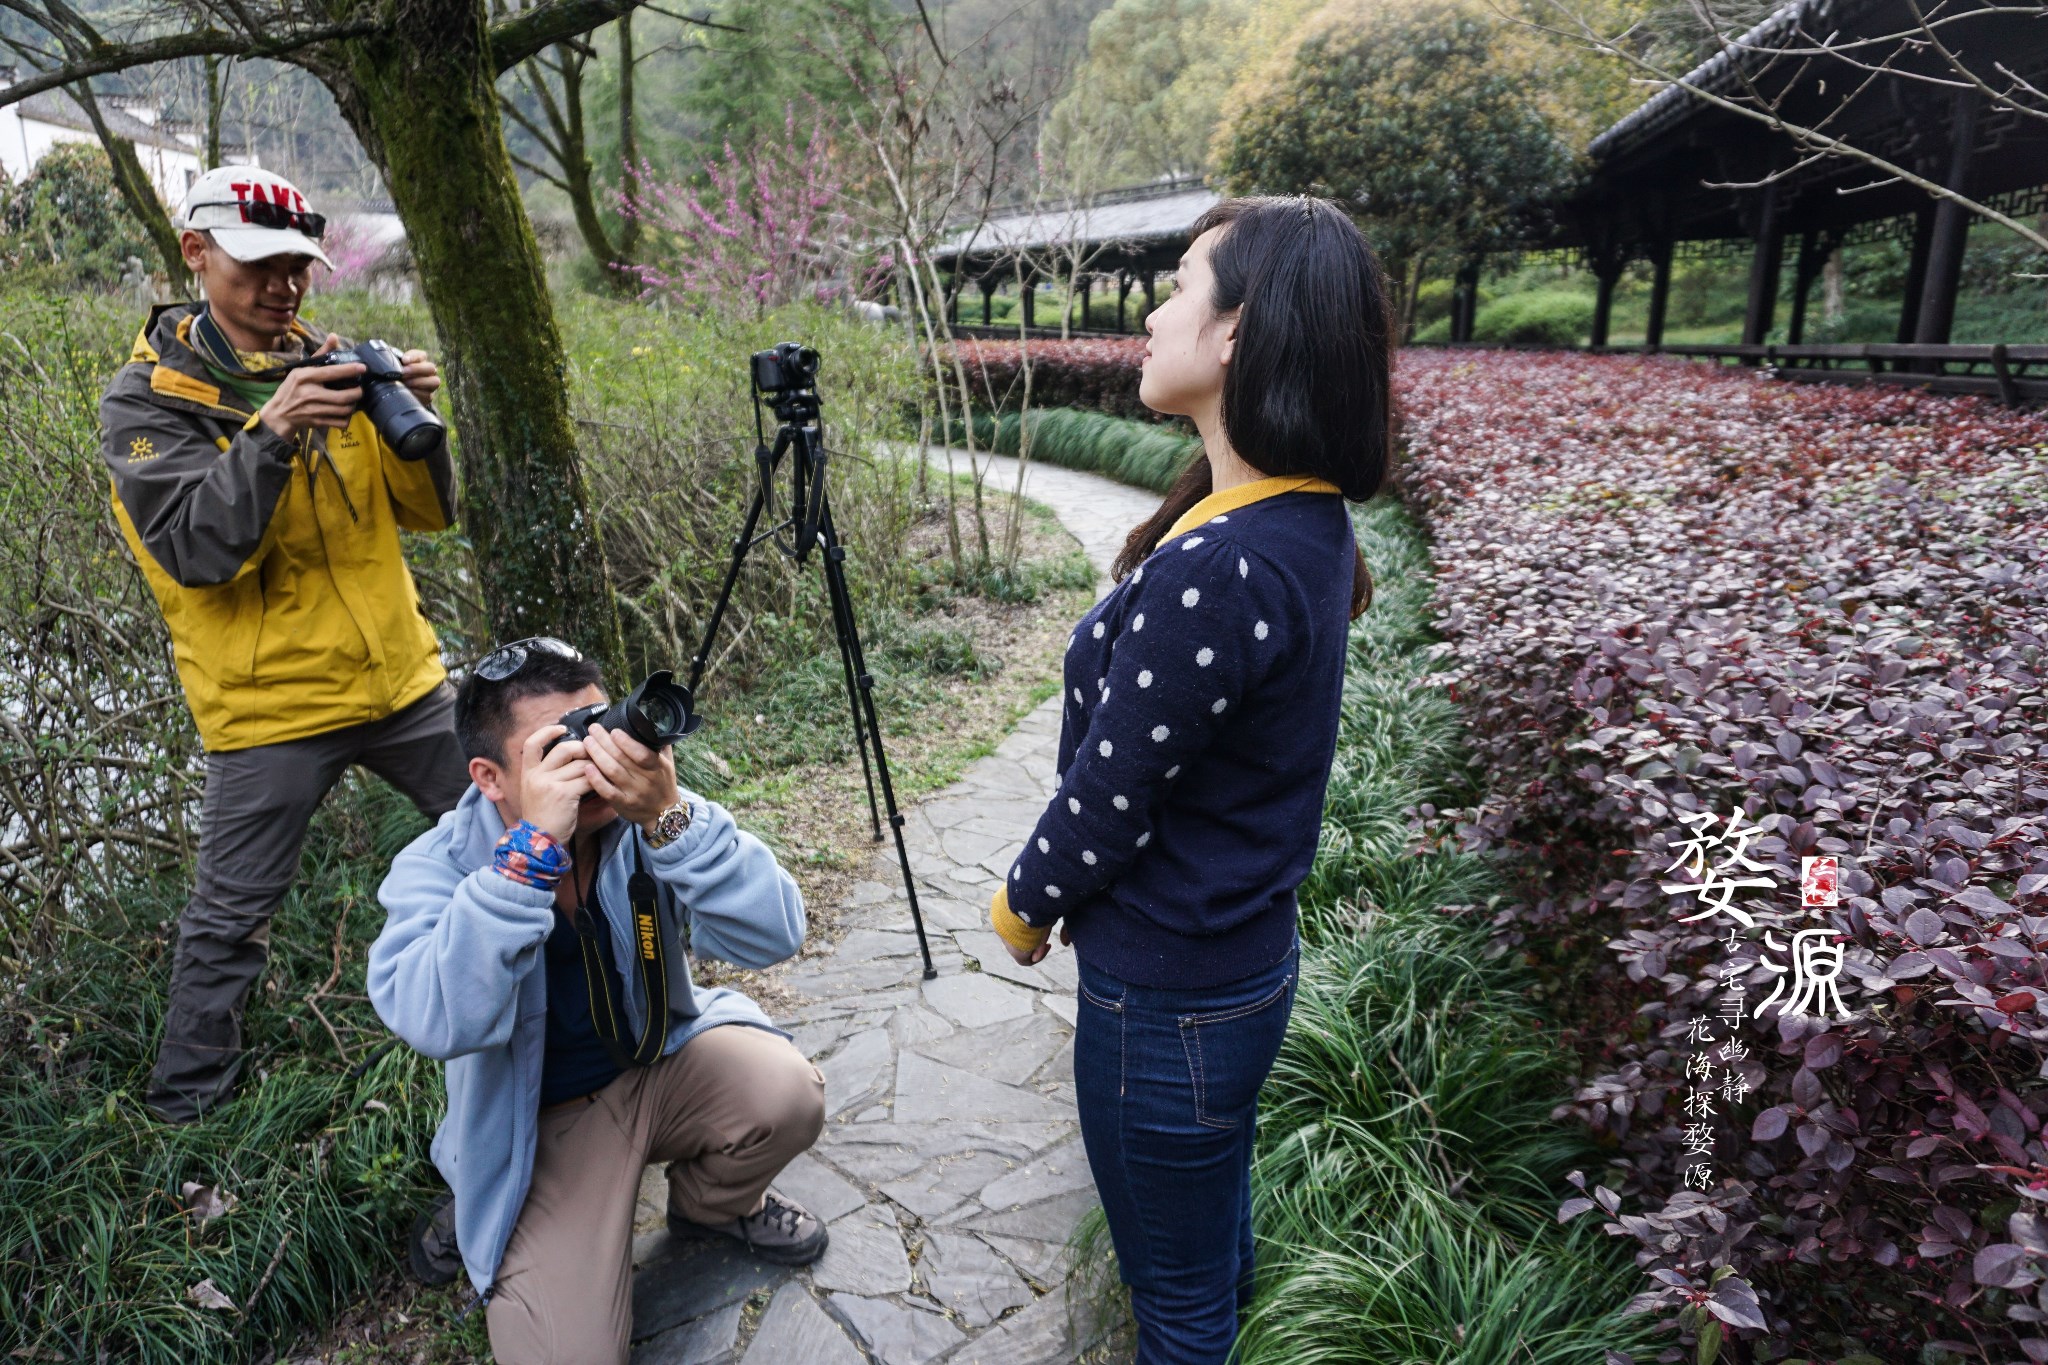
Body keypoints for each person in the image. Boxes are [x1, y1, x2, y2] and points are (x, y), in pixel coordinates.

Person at [986, 197, 1392, 1364]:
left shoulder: (1226, 562)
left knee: (1174, 1302)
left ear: (1236, 333)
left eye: (1176, 287)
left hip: (1165, 999)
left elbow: (1115, 789)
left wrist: (1022, 903)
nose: (1152, 316)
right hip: (1236, 964)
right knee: (1204, 1231)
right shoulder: (1288, 519)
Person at [99, 164, 467, 1124]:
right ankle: (185, 1122)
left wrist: (411, 419)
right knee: (228, 924)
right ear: (195, 253)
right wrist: (269, 433)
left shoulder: (337, 360)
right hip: (271, 711)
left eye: (298, 266)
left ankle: (573, 1016)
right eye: (258, 266)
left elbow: (428, 516)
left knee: (523, 831)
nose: (283, 288)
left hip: (401, 680)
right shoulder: (147, 403)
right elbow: (195, 551)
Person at [369, 638, 829, 1365]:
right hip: (543, 1128)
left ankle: (711, 1206)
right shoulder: (440, 864)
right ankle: (485, 1192)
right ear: (489, 776)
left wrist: (671, 818)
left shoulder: (640, 818)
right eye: (560, 748)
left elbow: (777, 930)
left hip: (656, 1062)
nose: (595, 763)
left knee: (789, 1094)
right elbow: (431, 1015)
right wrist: (529, 856)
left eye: (599, 728)